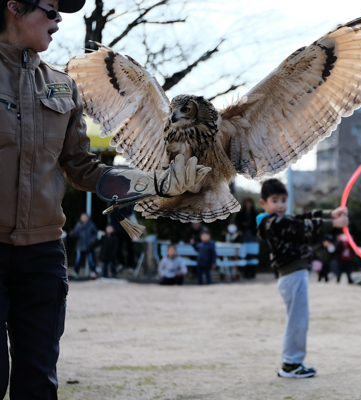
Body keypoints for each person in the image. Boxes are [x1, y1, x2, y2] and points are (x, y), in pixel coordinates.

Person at [0, 0, 209, 395]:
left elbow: (84, 168)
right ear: (14, 6)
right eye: (51, 9)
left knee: (38, 381)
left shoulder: (63, 86)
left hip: (43, 257)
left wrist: (156, 183)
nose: (59, 19)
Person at [256, 178, 348, 378]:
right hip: (291, 276)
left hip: (295, 275)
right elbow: (302, 226)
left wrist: (329, 214)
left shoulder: (280, 220)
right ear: (263, 203)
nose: (280, 205)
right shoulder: (272, 223)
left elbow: (300, 218)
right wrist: (333, 223)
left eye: (283, 200)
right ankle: (291, 363)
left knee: (298, 320)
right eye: (275, 200)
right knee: (297, 321)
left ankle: (292, 362)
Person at [70, 212, 98, 279]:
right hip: (80, 245)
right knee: (78, 261)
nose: (84, 218)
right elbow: (75, 234)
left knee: (91, 260)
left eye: (85, 217)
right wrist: (72, 234)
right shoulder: (78, 225)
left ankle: (93, 273)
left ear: (88, 218)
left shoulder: (91, 225)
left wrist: (93, 239)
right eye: (83, 217)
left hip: (89, 246)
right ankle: (76, 273)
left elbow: (95, 233)